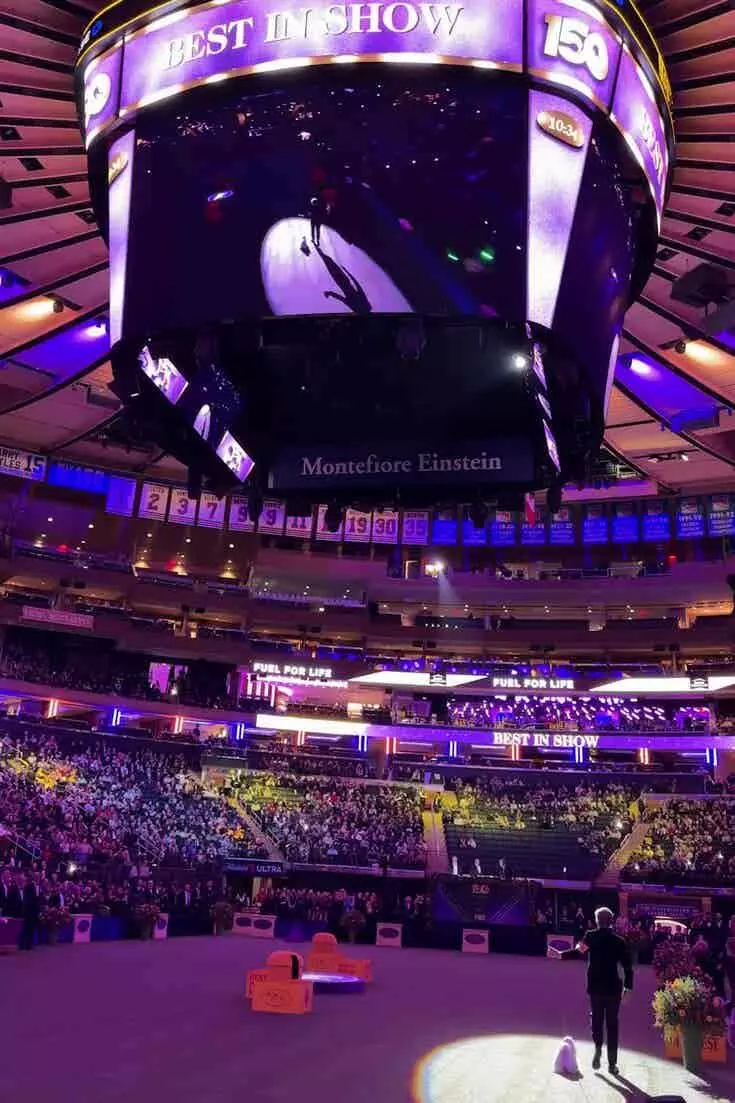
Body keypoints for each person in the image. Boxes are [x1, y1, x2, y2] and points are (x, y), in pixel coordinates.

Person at [577, 906, 633, 1075]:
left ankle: (597, 1047)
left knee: (596, 1020)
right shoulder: (619, 941)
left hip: (595, 986)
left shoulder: (590, 936)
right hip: (613, 988)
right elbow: (628, 967)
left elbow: (578, 951)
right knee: (612, 1024)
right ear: (611, 921)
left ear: (596, 921)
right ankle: (612, 1064)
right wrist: (628, 987)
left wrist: (561, 953)